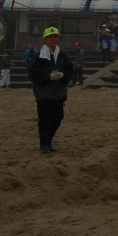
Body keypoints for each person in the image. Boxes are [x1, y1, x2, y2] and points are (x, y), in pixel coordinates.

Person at [27, 26, 74, 154]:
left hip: (58, 93)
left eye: (55, 36)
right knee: (43, 120)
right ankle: (44, 144)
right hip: (43, 94)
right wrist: (48, 77)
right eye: (50, 37)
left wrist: (63, 75)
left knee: (58, 118)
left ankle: (49, 140)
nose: (53, 39)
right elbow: (33, 75)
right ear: (44, 39)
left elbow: (70, 70)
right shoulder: (38, 57)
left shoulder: (62, 56)